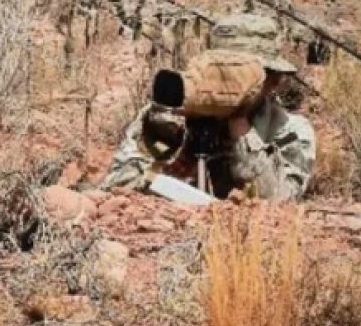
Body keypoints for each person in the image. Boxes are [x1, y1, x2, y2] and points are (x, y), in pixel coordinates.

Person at [101, 14, 316, 202]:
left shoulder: (288, 130)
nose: (229, 85)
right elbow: (118, 182)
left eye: (243, 77)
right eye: (220, 74)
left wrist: (241, 126)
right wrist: (166, 164)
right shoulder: (174, 113)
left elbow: (279, 199)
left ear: (273, 81)